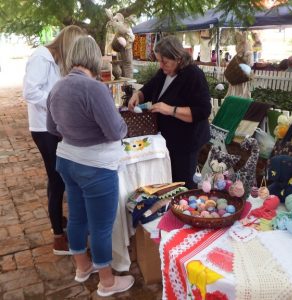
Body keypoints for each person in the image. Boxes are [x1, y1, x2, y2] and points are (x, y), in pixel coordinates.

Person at [47, 36, 134, 297]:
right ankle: (107, 282)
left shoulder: (58, 87)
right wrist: (120, 122)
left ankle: (82, 267)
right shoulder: (94, 88)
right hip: (96, 165)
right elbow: (115, 130)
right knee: (100, 226)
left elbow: (52, 128)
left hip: (67, 160)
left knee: (77, 217)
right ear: (95, 57)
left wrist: (75, 131)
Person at [23, 25, 85, 255]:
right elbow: (30, 92)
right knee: (56, 179)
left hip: (54, 126)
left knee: (58, 176)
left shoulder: (56, 61)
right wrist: (56, 103)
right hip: (43, 128)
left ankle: (59, 221)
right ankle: (58, 237)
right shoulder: (41, 56)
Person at [128, 35, 211, 189]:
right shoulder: (164, 73)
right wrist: (137, 96)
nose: (161, 65)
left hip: (186, 143)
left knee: (182, 185)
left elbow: (203, 111)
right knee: (168, 182)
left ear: (178, 58)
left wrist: (170, 110)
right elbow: (149, 88)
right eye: (159, 61)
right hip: (167, 141)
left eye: (164, 61)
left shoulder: (194, 75)